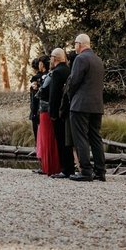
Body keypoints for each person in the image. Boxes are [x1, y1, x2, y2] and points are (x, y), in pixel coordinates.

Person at [68, 33, 106, 182]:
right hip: (97, 105)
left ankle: (85, 171)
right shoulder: (98, 60)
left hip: (81, 104)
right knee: (95, 137)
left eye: (75, 43)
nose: (74, 46)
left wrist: (71, 98)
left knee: (81, 137)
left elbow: (74, 81)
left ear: (80, 44)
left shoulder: (80, 59)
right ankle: (100, 171)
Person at [47, 47, 74, 178]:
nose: (50, 59)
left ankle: (66, 169)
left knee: (61, 140)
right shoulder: (68, 70)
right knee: (67, 140)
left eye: (51, 57)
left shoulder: (57, 72)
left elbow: (54, 95)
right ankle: (69, 167)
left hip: (59, 112)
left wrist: (52, 113)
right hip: (68, 110)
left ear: (55, 58)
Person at [35, 55, 61, 176]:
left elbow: (43, 91)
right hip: (50, 109)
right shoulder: (56, 73)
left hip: (47, 109)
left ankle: (49, 166)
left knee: (47, 138)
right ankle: (50, 166)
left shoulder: (52, 75)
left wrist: (38, 88)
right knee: (48, 138)